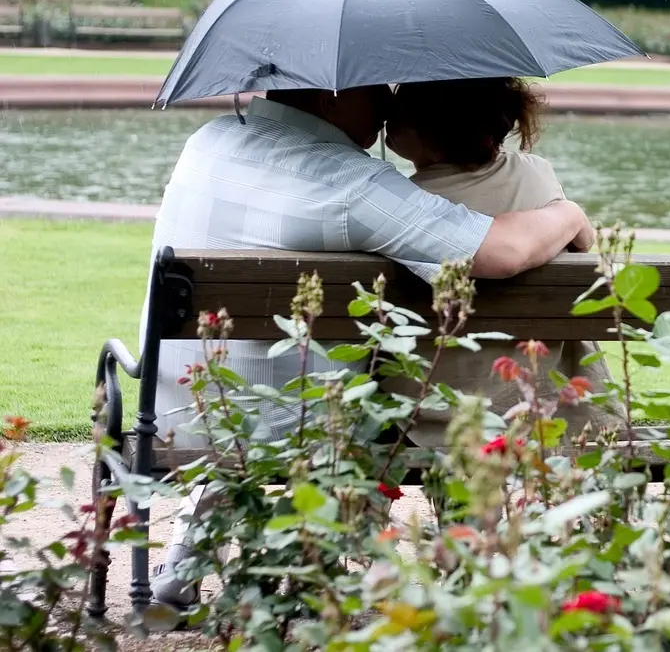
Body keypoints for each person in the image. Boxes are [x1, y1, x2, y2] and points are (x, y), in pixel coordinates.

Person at [149, 85, 593, 607]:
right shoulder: (349, 182)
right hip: (306, 424)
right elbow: (503, 251)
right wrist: (570, 214)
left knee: (255, 383)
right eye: (375, 84)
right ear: (332, 97)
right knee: (328, 387)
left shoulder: (209, 140)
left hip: (174, 405)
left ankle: (184, 560)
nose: (388, 100)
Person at [383, 77, 619, 447]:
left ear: (429, 131)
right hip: (537, 400)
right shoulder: (536, 175)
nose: (386, 116)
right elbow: (585, 242)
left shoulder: (404, 201)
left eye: (398, 110)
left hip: (426, 413)